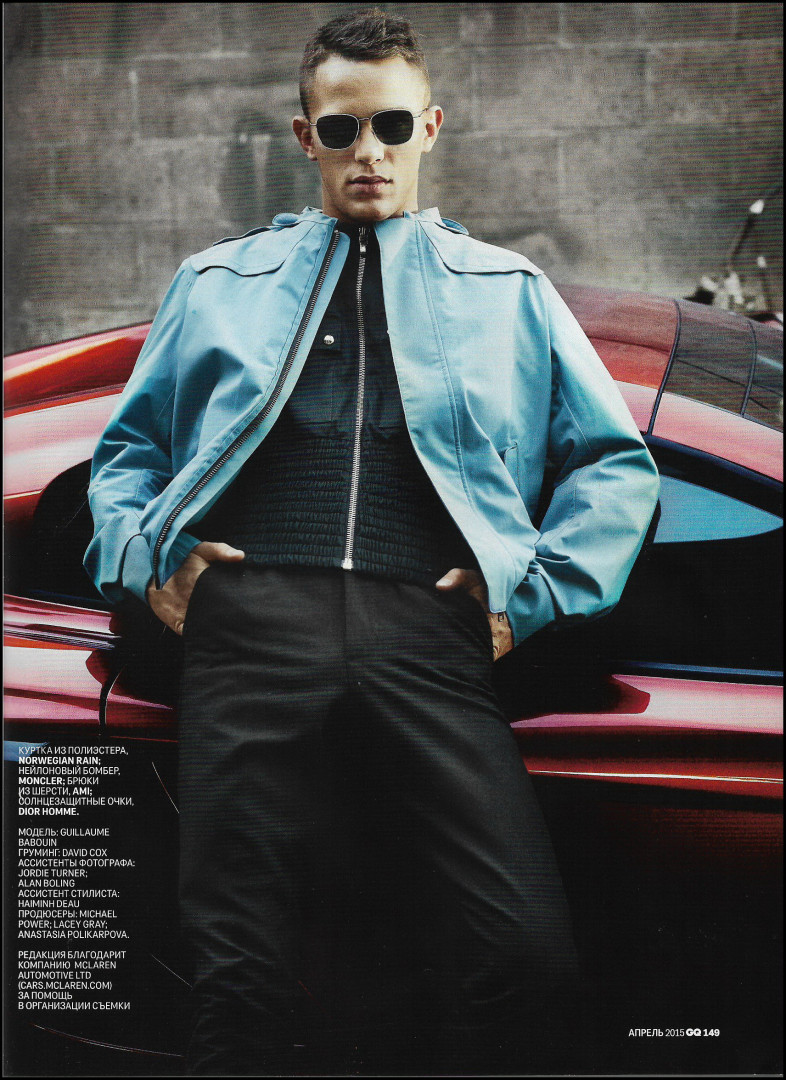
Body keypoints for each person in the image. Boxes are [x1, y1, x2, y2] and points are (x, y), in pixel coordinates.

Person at [85, 8, 660, 1075]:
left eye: (393, 126)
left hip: (429, 630)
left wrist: (531, 592)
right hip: (250, 630)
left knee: (524, 952)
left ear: (429, 127)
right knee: (239, 975)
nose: (370, 153)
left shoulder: (508, 292)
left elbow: (614, 468)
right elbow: (126, 456)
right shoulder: (217, 284)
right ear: (305, 137)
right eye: (343, 130)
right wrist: (145, 561)